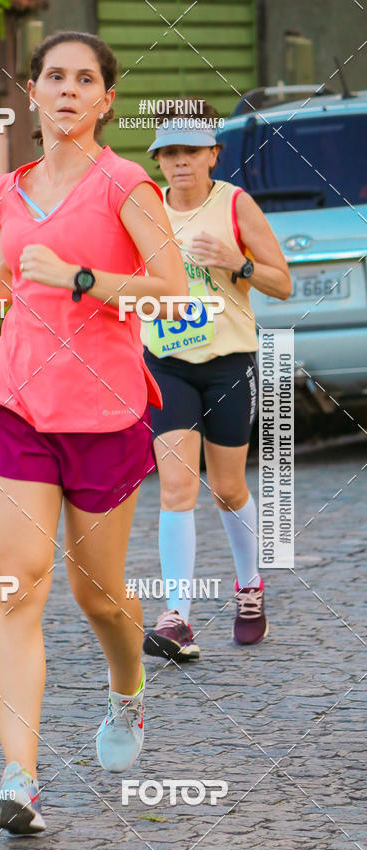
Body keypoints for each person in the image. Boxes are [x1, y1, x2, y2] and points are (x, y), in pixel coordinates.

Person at [0, 32, 188, 835]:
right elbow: (14, 266)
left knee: (96, 594)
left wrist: (81, 281)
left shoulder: (127, 184)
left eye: (86, 80)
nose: (68, 90)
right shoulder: (9, 189)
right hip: (14, 405)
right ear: (31, 91)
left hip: (103, 414)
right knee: (18, 582)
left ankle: (127, 692)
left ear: (106, 100)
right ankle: (20, 780)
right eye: (54, 77)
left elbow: (170, 283)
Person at [141, 102, 292, 664]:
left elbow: (283, 284)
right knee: (177, 487)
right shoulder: (143, 210)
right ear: (158, 161)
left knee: (227, 488)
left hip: (229, 363)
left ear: (212, 155)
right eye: (169, 153)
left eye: (190, 152)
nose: (180, 163)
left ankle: (249, 587)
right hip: (166, 364)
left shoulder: (234, 204)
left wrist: (238, 262)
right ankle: (177, 615)